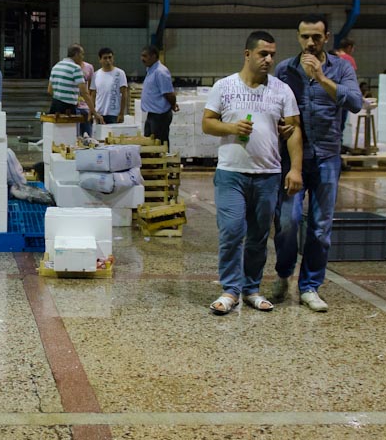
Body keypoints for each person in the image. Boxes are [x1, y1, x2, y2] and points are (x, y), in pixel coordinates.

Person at [202, 30, 303, 316]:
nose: (269, 59)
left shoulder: (282, 90)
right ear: (247, 54)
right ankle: (230, 290)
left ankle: (251, 289)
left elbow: (294, 130)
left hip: (268, 175)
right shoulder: (224, 86)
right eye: (263, 53)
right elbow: (207, 124)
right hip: (231, 173)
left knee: (259, 236)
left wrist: (295, 169)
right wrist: (232, 128)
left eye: (272, 54)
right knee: (232, 231)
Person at [272, 16, 362, 312]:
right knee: (288, 221)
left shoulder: (342, 68)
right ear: (297, 37)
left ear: (327, 37)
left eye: (316, 37)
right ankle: (284, 274)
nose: (310, 43)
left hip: (327, 157)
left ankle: (310, 286)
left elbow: (355, 102)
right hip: (292, 159)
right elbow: (272, 107)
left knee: (321, 228)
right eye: (305, 37)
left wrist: (323, 78)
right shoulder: (285, 70)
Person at [48, 43, 103, 124]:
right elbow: (84, 93)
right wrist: (94, 112)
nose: (83, 57)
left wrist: (60, 96)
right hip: (68, 108)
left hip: (55, 105)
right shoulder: (76, 68)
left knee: (55, 133)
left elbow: (49, 90)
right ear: (77, 54)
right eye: (82, 54)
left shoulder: (56, 66)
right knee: (68, 134)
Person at [140, 45, 178, 145]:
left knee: (160, 143)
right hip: (152, 114)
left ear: (153, 56)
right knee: (149, 143)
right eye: (142, 56)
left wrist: (173, 104)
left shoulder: (160, 72)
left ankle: (164, 160)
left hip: (161, 115)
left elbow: (169, 93)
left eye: (145, 56)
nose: (142, 59)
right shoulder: (150, 70)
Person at [93, 47, 129, 124]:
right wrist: (93, 112)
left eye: (110, 57)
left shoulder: (120, 73)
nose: (108, 60)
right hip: (100, 113)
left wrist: (122, 113)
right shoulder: (96, 75)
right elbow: (93, 95)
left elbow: (124, 94)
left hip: (114, 114)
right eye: (105, 58)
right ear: (100, 60)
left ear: (113, 58)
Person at [76, 58, 95, 137]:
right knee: (76, 134)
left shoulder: (89, 67)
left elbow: (91, 89)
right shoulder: (71, 68)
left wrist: (92, 108)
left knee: (88, 134)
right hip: (74, 105)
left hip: (85, 105)